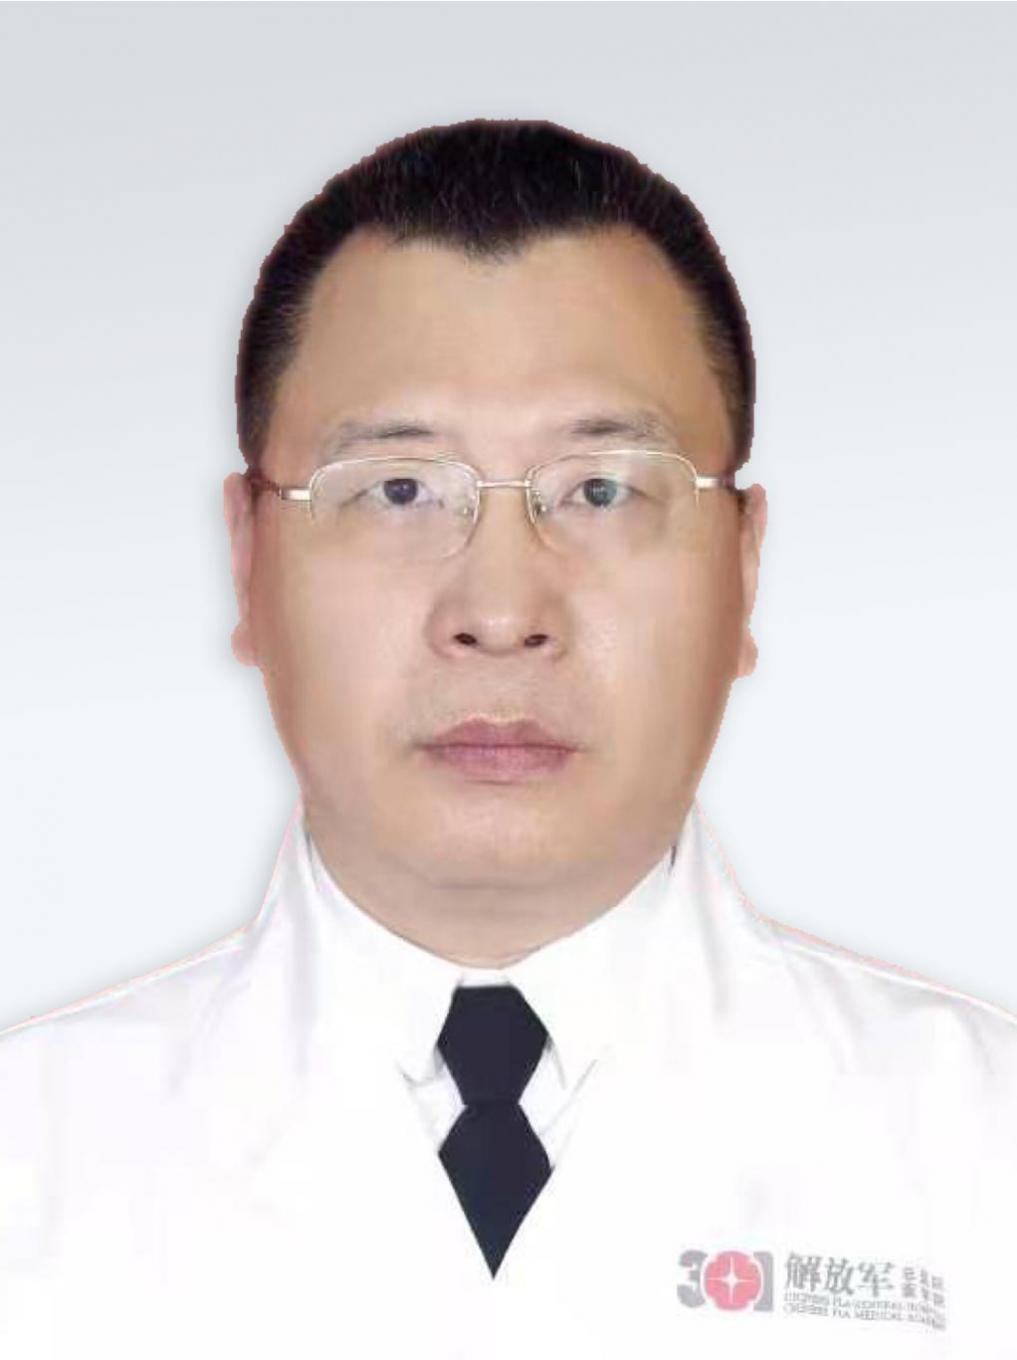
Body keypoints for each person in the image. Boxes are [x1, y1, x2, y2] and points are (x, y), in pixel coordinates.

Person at [0, 117, 1014, 1359]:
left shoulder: (983, 1151)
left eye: (600, 489)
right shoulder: (30, 1164)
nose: (497, 610)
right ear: (249, 561)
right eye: (398, 490)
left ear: (745, 567)